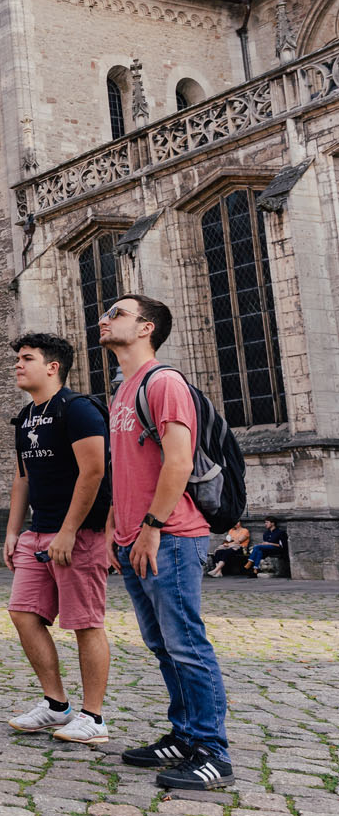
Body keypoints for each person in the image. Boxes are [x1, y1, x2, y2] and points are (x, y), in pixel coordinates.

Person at [99, 294, 233, 789]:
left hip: (172, 535)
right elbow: (126, 467)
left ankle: (213, 753)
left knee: (187, 645)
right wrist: (118, 527)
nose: (104, 319)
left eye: (118, 314)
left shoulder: (165, 382)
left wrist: (153, 526)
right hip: (136, 539)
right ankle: (182, 734)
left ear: (146, 328)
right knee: (163, 646)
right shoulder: (121, 389)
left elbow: (178, 461)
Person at [0, 335, 112, 743]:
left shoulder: (78, 409)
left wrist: (68, 531)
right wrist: (14, 531)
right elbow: (22, 477)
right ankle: (56, 705)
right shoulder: (26, 416)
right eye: (17, 358)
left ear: (52, 367)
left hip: (79, 534)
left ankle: (94, 717)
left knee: (85, 623)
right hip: (37, 532)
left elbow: (94, 471)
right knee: (23, 613)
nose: (18, 364)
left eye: (26, 358)